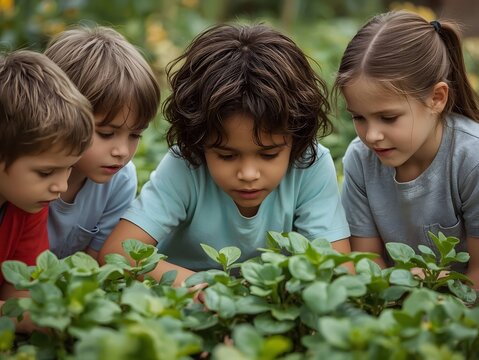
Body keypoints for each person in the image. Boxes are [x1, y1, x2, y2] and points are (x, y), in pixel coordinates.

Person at [99, 23, 351, 286]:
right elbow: (117, 252)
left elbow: (338, 267)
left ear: (296, 139)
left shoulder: (310, 164)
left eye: (269, 155)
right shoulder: (186, 165)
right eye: (227, 156)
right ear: (198, 143)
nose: (248, 174)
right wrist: (201, 289)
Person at [334, 10, 479, 286]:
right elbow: (368, 266)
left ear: (436, 98)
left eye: (388, 118)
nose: (372, 135)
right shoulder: (360, 159)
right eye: (358, 117)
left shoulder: (472, 159)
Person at [44, 25, 161, 259]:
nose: (122, 152)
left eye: (135, 135)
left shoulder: (120, 179)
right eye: (106, 133)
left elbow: (96, 265)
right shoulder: (24, 173)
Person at [0, 50, 93, 326]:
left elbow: (20, 288)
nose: (61, 186)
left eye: (69, 168)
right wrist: (36, 320)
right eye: (45, 172)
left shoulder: (27, 205)